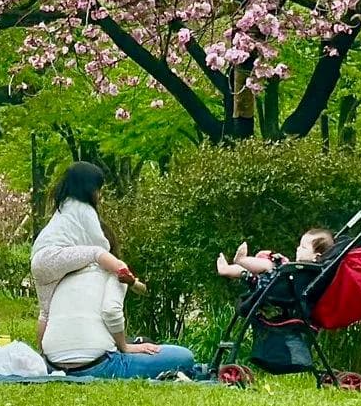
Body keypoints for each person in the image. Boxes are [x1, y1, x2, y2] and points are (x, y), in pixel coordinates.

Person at [29, 162, 196, 379]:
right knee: (183, 356)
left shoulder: (65, 275)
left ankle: (42, 358)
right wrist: (124, 346)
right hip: (97, 365)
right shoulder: (109, 268)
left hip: (55, 361)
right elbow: (110, 310)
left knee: (45, 313)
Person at [216, 227, 334, 281]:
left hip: (284, 285)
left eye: (303, 247)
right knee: (250, 271)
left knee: (268, 265)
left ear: (316, 256)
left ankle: (241, 260)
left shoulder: (312, 272)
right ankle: (227, 269)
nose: (298, 248)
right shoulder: (305, 267)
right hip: (282, 279)